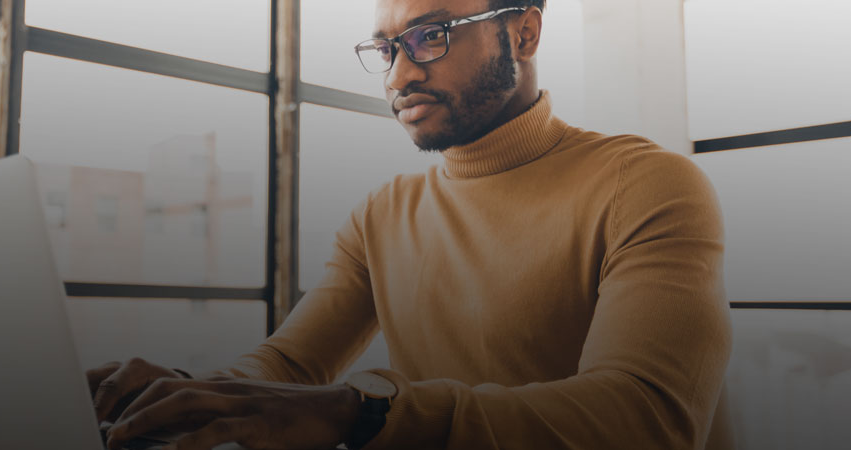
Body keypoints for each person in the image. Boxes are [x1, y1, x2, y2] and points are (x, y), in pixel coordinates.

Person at [89, 0, 735, 449]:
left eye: (431, 36)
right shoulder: (380, 216)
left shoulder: (648, 186)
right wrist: (180, 396)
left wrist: (365, 412)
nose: (399, 75)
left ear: (524, 35)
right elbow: (287, 367)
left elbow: (645, 423)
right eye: (386, 47)